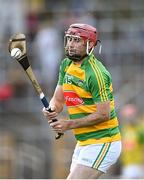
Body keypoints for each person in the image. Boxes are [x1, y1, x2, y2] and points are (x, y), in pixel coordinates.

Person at [42, 23, 122, 179]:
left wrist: (68, 124)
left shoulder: (95, 73)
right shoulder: (66, 65)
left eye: (76, 41)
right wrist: (51, 109)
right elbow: (58, 100)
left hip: (103, 141)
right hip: (84, 143)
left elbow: (103, 114)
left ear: (90, 44)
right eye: (69, 39)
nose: (71, 44)